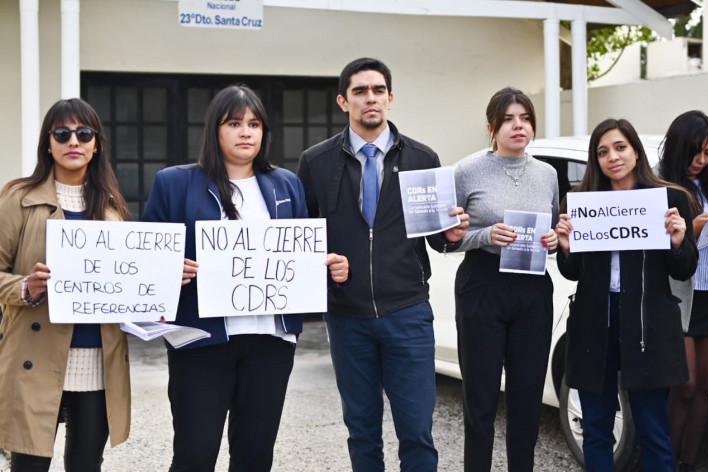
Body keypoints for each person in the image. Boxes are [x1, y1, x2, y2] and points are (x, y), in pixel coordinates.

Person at [142, 84, 349, 472]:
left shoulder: (285, 183)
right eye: (234, 123)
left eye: (254, 124)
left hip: (271, 342)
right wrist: (168, 267)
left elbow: (297, 256)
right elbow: (147, 260)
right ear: (214, 130)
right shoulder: (175, 182)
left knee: (255, 456)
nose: (245, 132)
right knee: (194, 453)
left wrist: (328, 268)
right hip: (201, 340)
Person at [296, 57, 468, 472]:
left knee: (417, 432)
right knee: (361, 430)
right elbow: (301, 240)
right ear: (343, 101)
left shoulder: (424, 158)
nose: (369, 98)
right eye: (359, 91)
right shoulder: (315, 163)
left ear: (390, 99)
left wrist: (452, 235)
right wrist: (321, 266)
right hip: (347, 317)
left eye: (377, 90)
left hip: (407, 312)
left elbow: (437, 238)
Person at [555, 118, 698, 472]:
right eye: (602, 152)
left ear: (636, 151)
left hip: (648, 324)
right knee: (597, 430)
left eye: (620, 147)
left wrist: (678, 241)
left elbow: (684, 269)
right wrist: (567, 248)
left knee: (653, 430)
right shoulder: (582, 203)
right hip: (594, 322)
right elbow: (571, 272)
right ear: (595, 160)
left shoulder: (671, 199)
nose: (612, 157)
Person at [0, 98, 131, 471]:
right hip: (34, 355)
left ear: (96, 144)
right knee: (29, 465)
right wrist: (25, 287)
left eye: (83, 133)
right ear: (48, 143)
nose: (73, 140)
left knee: (87, 464)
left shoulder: (112, 207)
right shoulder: (17, 198)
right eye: (62, 133)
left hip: (97, 360)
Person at [451, 87, 559, 472]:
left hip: (532, 287)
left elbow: (553, 234)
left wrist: (554, 241)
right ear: (491, 127)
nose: (518, 126)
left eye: (525, 118)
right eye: (509, 119)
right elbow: (446, 238)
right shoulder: (466, 171)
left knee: (527, 396)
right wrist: (484, 235)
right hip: (482, 284)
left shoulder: (547, 174)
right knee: (479, 398)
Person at [659, 110, 708, 472]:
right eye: (696, 152)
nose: (701, 161)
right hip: (681, 296)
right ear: (679, 148)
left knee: (705, 387)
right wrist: (691, 232)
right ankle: (665, 462)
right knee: (685, 385)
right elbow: (653, 251)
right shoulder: (659, 188)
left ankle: (688, 464)